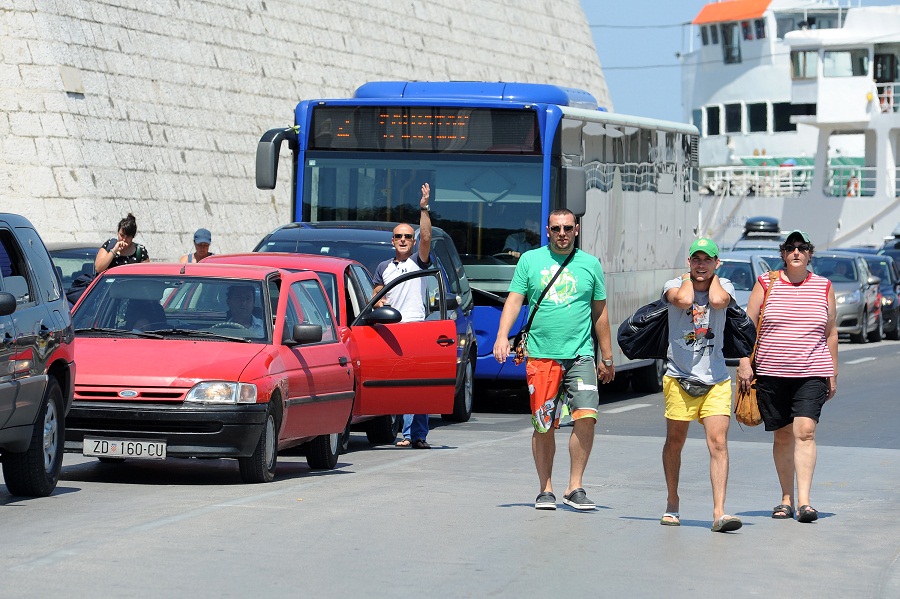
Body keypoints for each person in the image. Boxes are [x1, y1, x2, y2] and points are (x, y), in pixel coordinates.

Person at [492, 209, 615, 511]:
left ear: (577, 229)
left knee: (586, 416)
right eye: (557, 228)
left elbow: (599, 312)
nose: (562, 233)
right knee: (544, 424)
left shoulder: (590, 265)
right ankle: (545, 488)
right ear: (547, 230)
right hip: (541, 356)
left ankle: (575, 487)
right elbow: (514, 301)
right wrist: (501, 337)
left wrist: (607, 355)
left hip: (580, 355)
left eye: (568, 228)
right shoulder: (530, 261)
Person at [737, 230, 837, 524]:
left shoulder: (824, 286)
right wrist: (745, 362)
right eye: (791, 247)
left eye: (802, 247)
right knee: (782, 436)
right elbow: (747, 326)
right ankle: (786, 499)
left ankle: (805, 502)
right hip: (771, 371)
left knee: (805, 431)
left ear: (809, 254)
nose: (796, 252)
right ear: (783, 254)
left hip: (812, 372)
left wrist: (832, 371)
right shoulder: (766, 284)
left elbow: (831, 333)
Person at [659, 238, 742, 533]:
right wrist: (687, 280)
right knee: (675, 442)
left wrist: (713, 279)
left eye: (707, 260)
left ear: (716, 263)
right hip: (679, 377)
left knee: (718, 443)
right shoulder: (674, 284)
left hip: (716, 379)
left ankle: (719, 511)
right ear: (689, 262)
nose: (701, 264)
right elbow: (681, 301)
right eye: (696, 259)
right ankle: (672, 502)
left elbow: (719, 302)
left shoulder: (725, 287)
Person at [372, 183, 433, 449]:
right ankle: (410, 433)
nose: (404, 240)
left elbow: (427, 238)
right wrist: (379, 299)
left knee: (418, 384)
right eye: (399, 237)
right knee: (401, 385)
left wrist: (424, 209)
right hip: (393, 331)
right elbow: (375, 290)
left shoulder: (418, 262)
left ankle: (415, 435)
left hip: (416, 329)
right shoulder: (384, 267)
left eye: (409, 236)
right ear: (393, 241)